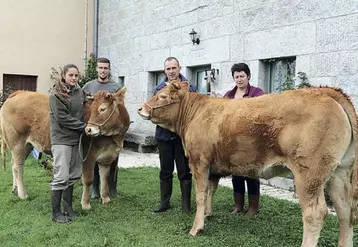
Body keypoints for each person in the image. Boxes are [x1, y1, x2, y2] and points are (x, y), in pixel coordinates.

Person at [152, 57, 196, 214]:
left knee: (185, 172)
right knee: (165, 171)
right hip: (164, 137)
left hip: (182, 138)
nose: (171, 71)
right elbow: (155, 112)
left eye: (174, 68)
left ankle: (186, 206)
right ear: (164, 70)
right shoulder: (158, 89)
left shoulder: (190, 88)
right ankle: (164, 203)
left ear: (179, 68)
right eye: (168, 68)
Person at [224, 63, 264, 216]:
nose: (239, 79)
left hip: (251, 141)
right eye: (236, 77)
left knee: (251, 173)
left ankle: (253, 208)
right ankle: (238, 206)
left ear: (248, 76)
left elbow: (261, 114)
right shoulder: (228, 95)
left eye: (242, 76)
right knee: (236, 173)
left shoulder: (257, 93)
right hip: (233, 141)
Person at [49, 64, 86, 223]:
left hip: (75, 140)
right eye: (71, 75)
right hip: (62, 139)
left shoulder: (79, 91)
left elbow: (85, 102)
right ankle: (56, 213)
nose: (74, 78)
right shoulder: (55, 94)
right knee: (61, 176)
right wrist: (84, 127)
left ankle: (68, 208)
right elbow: (62, 118)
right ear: (63, 75)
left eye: (76, 76)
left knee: (73, 175)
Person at [82, 57, 122, 199]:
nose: (103, 70)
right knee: (92, 159)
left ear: (109, 69)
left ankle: (112, 188)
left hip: (110, 134)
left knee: (112, 161)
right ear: (97, 69)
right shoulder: (88, 87)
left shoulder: (115, 87)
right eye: (100, 68)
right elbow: (84, 108)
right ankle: (94, 191)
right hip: (94, 130)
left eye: (105, 68)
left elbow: (120, 109)